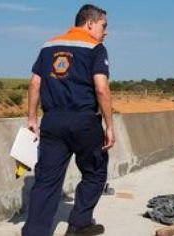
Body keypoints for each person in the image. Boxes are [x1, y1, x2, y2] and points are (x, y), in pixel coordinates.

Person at [22, 4, 115, 236]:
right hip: (84, 121)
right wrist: (110, 126)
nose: (106, 32)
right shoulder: (95, 48)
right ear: (90, 23)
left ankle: (34, 232)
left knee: (46, 180)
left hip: (52, 121)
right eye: (104, 26)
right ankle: (80, 223)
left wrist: (32, 118)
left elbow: (35, 82)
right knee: (95, 172)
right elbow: (101, 88)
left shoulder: (48, 46)